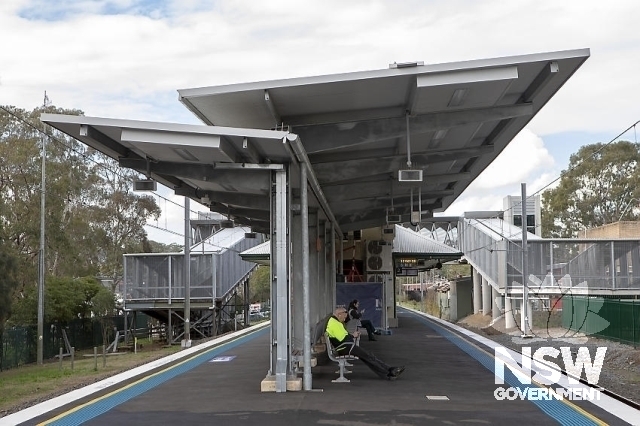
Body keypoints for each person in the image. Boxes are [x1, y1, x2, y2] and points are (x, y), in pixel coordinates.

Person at [326, 307, 405, 380]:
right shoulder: (334, 323)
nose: (344, 319)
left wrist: (352, 336)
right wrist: (353, 335)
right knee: (368, 356)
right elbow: (344, 338)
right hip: (345, 347)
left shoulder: (334, 322)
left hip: (345, 346)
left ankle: (389, 370)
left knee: (368, 356)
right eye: (344, 317)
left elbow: (343, 337)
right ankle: (388, 373)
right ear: (339, 314)